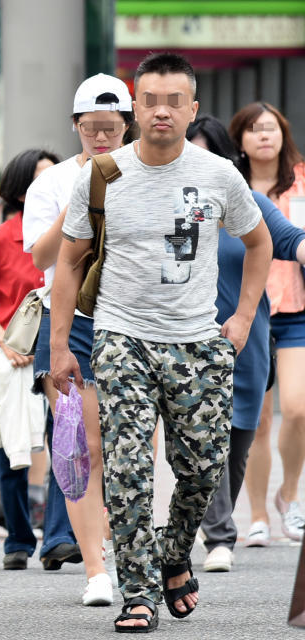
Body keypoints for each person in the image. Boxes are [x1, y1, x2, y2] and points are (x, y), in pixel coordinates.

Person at [50, 52, 271, 632]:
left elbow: (259, 243)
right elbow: (68, 265)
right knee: (126, 469)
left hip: (198, 342)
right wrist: (59, 348)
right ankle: (140, 593)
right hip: (122, 339)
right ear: (134, 108)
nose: (162, 112)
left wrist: (244, 316)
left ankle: (175, 553)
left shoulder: (219, 174)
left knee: (202, 467)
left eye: (175, 101)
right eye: (150, 100)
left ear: (192, 108)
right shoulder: (102, 175)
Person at [23, 73, 134, 607]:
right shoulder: (50, 183)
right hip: (69, 320)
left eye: (112, 129)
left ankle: (125, 541)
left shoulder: (145, 174)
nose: (102, 139)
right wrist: (82, 192)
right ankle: (95, 569)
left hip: (134, 317)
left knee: (130, 445)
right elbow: (42, 259)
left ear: (127, 126)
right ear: (75, 127)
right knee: (81, 444)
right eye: (92, 129)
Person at [186, 114, 305, 572]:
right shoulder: (172, 205)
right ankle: (220, 534)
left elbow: (289, 239)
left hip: (247, 338)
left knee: (237, 438)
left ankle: (213, 519)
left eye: (207, 154)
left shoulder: (250, 202)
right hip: (187, 338)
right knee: (200, 432)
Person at [0, 148, 70, 572]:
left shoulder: (75, 232)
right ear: (21, 190)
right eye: (39, 180)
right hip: (17, 357)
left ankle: (59, 537)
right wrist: (1, 341)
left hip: (63, 349)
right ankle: (18, 538)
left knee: (66, 440)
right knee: (13, 451)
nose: (50, 187)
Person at [229, 102, 305, 545]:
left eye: (271, 128)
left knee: (296, 409)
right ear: (239, 139)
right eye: (255, 129)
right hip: (248, 311)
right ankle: (256, 515)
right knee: (254, 420)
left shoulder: (300, 181)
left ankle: (288, 497)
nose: (264, 136)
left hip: (295, 309)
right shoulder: (229, 187)